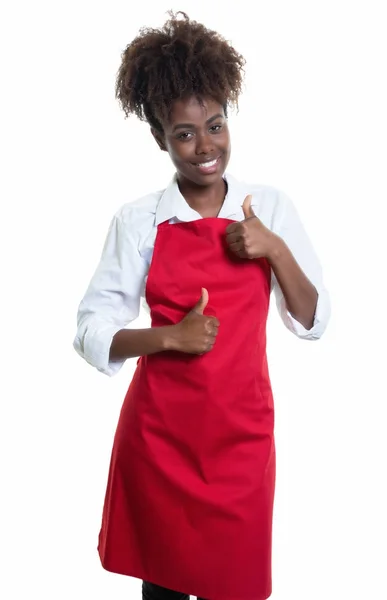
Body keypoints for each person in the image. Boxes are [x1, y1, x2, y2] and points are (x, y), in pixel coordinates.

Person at [73, 11, 330, 600]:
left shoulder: (268, 206)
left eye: (214, 125)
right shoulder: (139, 220)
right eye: (184, 134)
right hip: (160, 440)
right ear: (160, 137)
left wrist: (274, 248)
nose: (205, 147)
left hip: (241, 438)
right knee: (162, 591)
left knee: (235, 586)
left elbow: (314, 321)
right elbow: (89, 330)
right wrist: (166, 338)